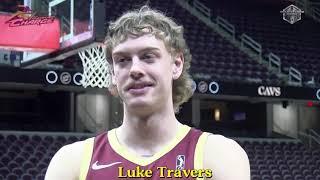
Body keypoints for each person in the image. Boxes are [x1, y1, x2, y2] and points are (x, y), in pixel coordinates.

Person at [45, 5, 250, 180]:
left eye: (148, 56)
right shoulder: (72, 162)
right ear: (113, 74)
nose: (135, 69)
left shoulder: (218, 155)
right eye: (123, 60)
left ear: (176, 64)